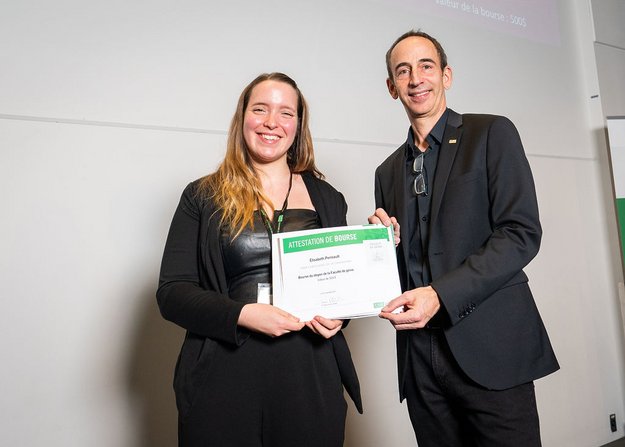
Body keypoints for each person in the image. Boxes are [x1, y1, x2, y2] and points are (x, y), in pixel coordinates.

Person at [369, 30, 559, 446]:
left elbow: (521, 233)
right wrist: (383, 246)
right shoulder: (386, 172)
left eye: (426, 66)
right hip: (420, 359)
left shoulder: (491, 133)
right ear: (391, 87)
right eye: (403, 71)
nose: (416, 78)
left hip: (490, 348)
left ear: (446, 75)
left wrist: (440, 294)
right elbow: (406, 266)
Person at [157, 72, 362, 447]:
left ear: (298, 126)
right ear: (242, 118)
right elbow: (172, 293)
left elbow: (341, 286)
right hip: (223, 372)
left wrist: (342, 312)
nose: (272, 122)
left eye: (286, 113)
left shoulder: (329, 198)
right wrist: (243, 315)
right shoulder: (202, 195)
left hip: (309, 374)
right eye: (261, 109)